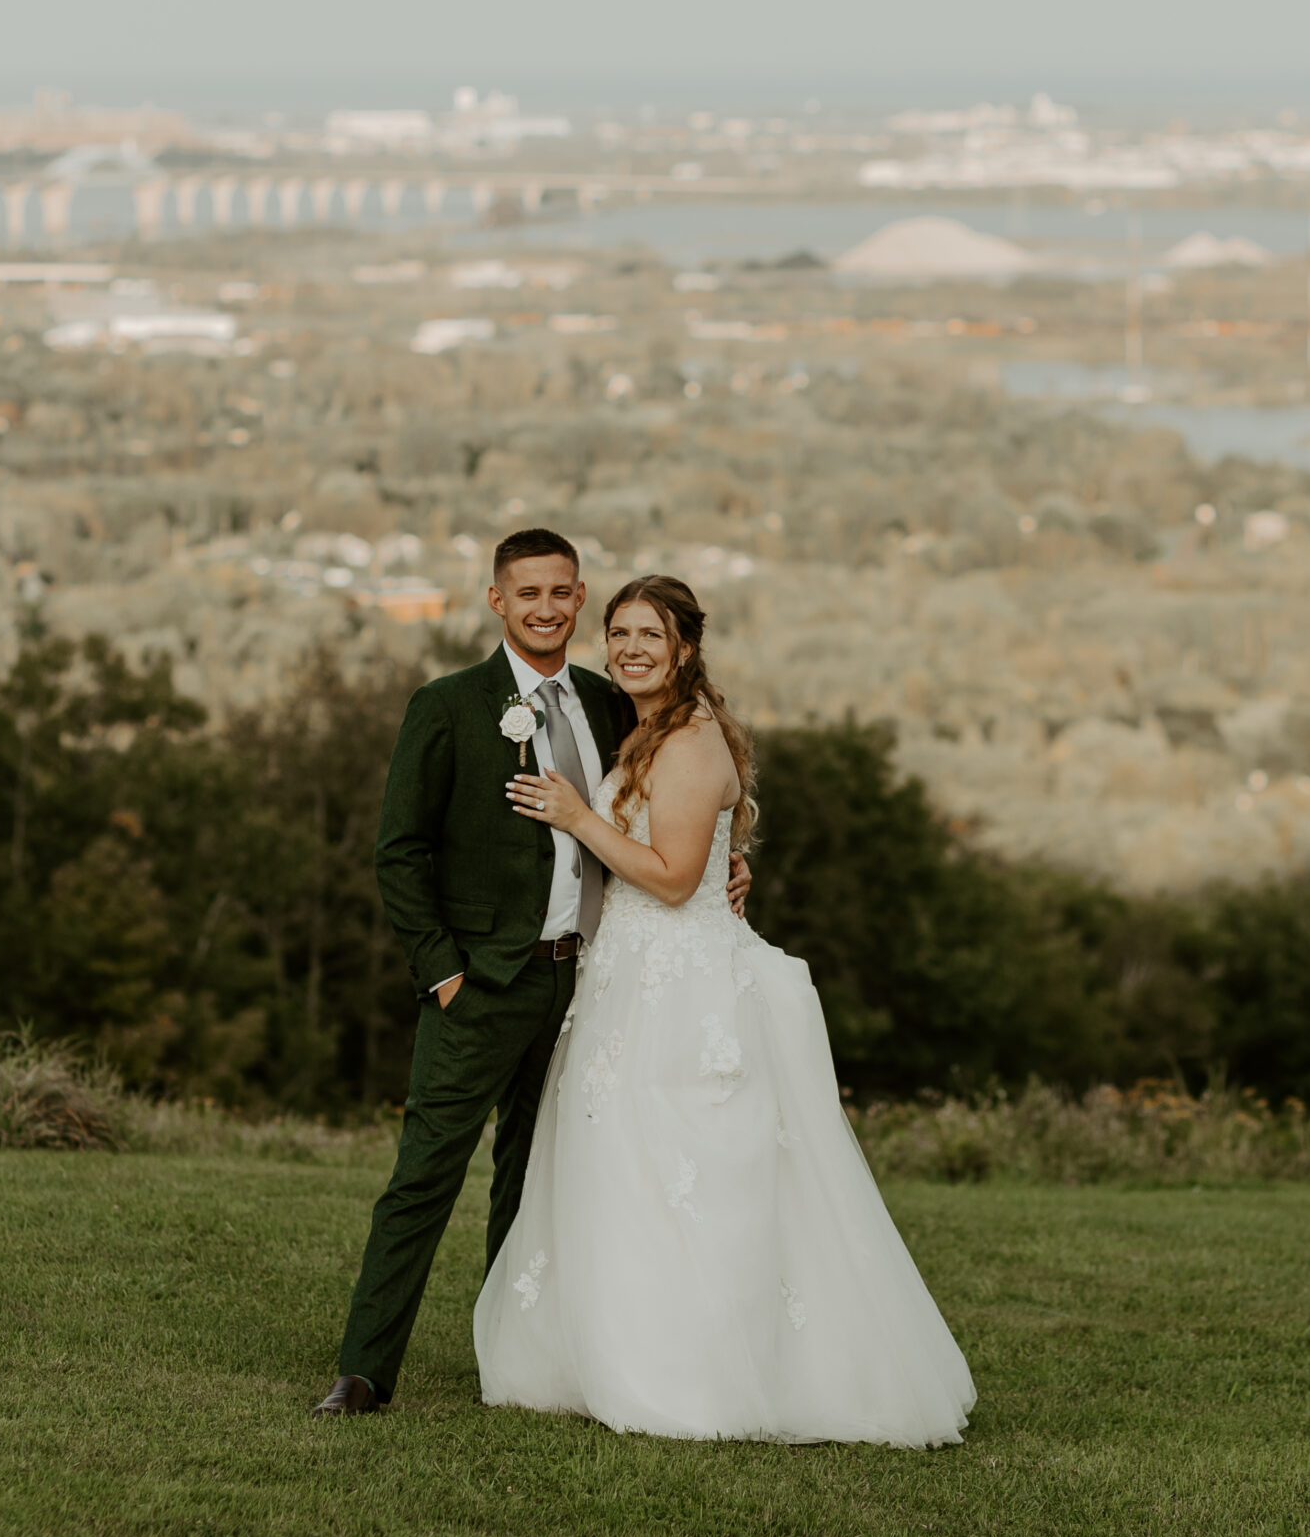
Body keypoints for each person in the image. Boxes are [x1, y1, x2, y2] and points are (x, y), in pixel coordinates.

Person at [474, 575, 974, 1446]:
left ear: (686, 649)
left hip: (681, 985)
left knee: (686, 1174)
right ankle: (606, 1349)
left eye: (650, 636)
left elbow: (670, 879)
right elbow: (698, 858)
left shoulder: (691, 741)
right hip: (631, 973)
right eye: (620, 632)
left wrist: (578, 816)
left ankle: (692, 1370)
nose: (630, 648)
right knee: (623, 1167)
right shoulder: (651, 728)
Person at [315, 530, 750, 1417]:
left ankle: (513, 1363)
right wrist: (442, 975)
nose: (547, 607)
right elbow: (400, 853)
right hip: (480, 985)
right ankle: (364, 1369)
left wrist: (735, 860)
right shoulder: (446, 706)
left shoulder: (610, 699)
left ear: (579, 596)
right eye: (529, 593)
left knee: (538, 1180)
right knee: (425, 1177)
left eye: (562, 592)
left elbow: (685, 792)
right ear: (496, 600)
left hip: (588, 983)